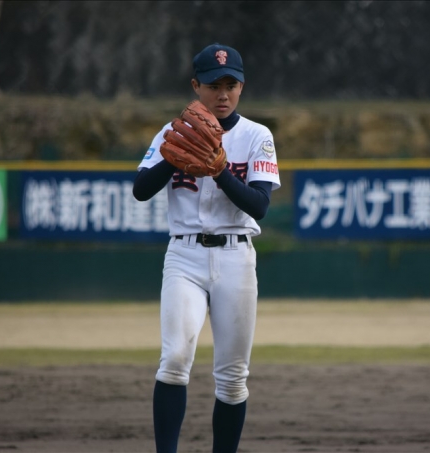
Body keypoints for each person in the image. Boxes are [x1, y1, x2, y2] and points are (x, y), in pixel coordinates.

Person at [132, 43, 281, 452]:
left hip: (236, 257)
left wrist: (220, 171)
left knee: (232, 379)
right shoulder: (173, 132)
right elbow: (141, 189)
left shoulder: (257, 135)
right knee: (174, 360)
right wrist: (173, 155)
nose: (223, 94)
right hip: (184, 256)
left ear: (242, 87)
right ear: (196, 86)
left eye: (231, 85)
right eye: (214, 85)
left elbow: (260, 205)